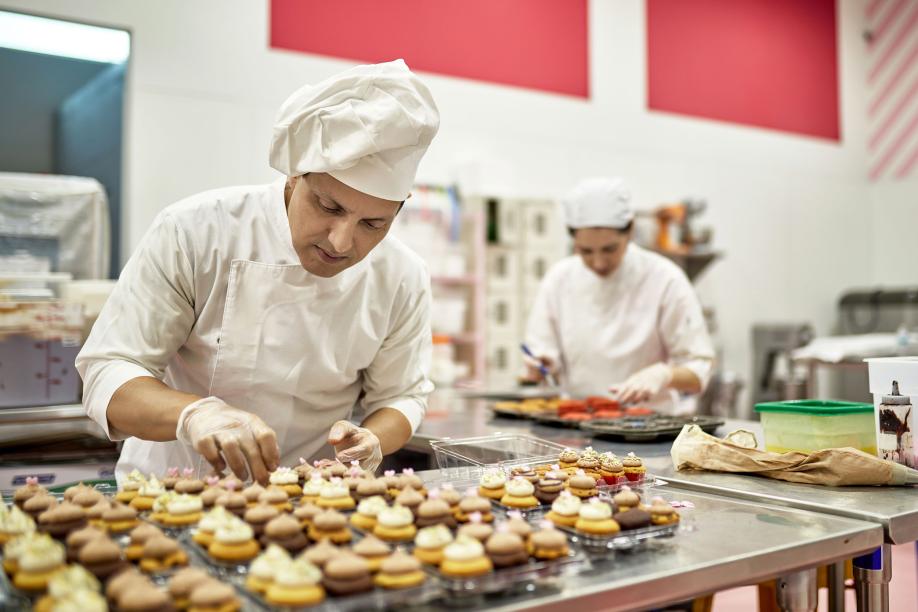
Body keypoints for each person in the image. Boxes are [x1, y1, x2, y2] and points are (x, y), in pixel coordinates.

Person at [76, 60, 440, 483]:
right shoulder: (197, 231)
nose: (341, 241)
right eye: (328, 207)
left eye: (373, 224)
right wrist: (194, 415)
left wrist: (373, 438)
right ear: (293, 178)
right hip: (173, 493)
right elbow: (111, 368)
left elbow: (403, 395)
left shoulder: (401, 276)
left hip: (311, 506)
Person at [523, 177, 715, 414]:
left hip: (649, 426)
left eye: (609, 249)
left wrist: (663, 374)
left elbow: (699, 368)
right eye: (586, 251)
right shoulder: (560, 279)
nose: (598, 262)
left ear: (631, 230)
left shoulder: (665, 279)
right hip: (577, 423)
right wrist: (542, 365)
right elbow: (540, 350)